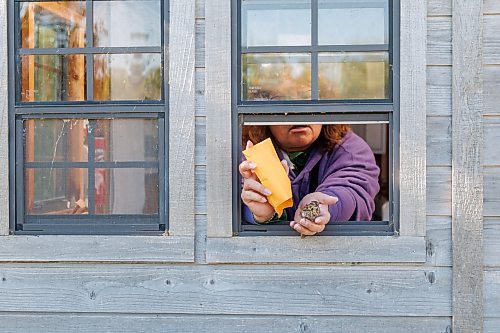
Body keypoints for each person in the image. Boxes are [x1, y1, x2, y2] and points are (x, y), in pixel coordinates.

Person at [239, 124, 380, 236]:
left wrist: (326, 207)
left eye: (307, 99)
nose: (298, 114)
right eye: (284, 101)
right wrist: (260, 214)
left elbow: (353, 188)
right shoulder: (245, 153)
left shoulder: (351, 149)